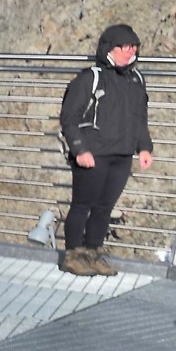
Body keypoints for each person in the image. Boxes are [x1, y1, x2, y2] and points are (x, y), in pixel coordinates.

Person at [56, 23, 153, 276]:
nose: (130, 52)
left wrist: (144, 148)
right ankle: (73, 255)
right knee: (82, 205)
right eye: (125, 47)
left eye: (134, 47)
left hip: (122, 155)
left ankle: (93, 252)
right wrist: (80, 150)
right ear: (110, 48)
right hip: (93, 154)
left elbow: (140, 118)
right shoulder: (90, 78)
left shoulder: (136, 80)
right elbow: (69, 117)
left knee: (104, 207)